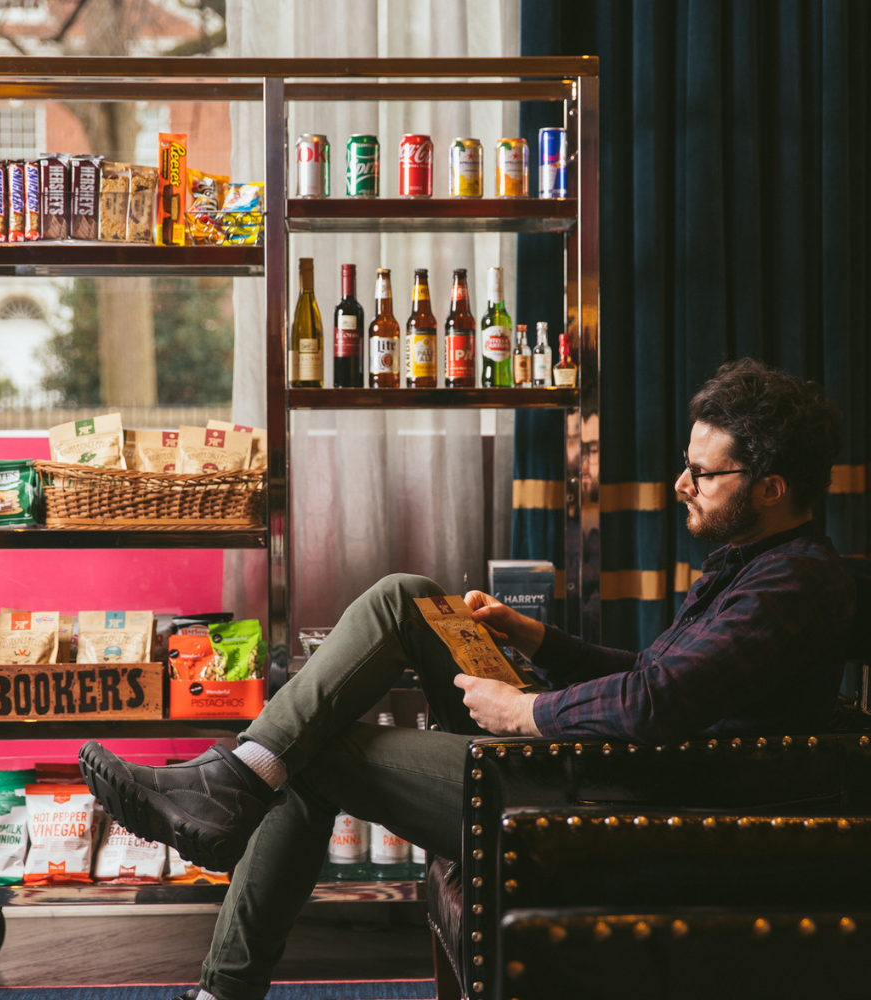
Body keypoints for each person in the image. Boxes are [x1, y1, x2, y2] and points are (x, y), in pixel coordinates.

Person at [79, 358, 854, 1000]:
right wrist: (536, 638)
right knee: (406, 596)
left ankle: (226, 957)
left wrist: (526, 712)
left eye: (702, 473)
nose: (681, 483)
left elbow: (656, 703)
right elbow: (656, 675)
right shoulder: (756, 568)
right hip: (610, 766)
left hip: (612, 795)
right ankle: (236, 781)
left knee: (314, 751)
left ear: (772, 488)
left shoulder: (790, 587)